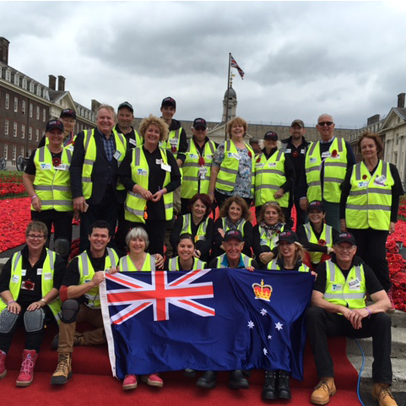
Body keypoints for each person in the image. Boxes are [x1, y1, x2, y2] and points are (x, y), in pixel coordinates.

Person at [306, 232, 397, 406]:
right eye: (341, 246)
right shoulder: (325, 267)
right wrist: (341, 309)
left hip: (357, 321)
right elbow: (316, 299)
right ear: (335, 248)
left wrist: (366, 310)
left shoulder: (363, 268)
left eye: (349, 247)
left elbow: (385, 302)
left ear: (355, 250)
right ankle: (326, 380)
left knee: (383, 320)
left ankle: (381, 386)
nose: (345, 251)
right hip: (333, 319)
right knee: (313, 314)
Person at [50, 220, 119, 385]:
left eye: (103, 236)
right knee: (68, 306)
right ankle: (64, 361)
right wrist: (91, 283)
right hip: (82, 308)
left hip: (103, 311)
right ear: (89, 236)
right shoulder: (78, 261)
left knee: (121, 328)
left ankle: (81, 339)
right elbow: (64, 293)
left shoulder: (118, 257)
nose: (99, 239)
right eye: (95, 235)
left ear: (109, 239)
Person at [0, 221, 65, 387]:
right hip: (17, 304)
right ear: (26, 237)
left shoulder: (54, 259)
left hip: (44, 306)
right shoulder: (15, 258)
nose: (35, 239)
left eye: (39, 236)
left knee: (34, 314)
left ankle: (28, 363)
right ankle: (1, 358)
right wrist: (11, 302)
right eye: (32, 235)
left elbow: (59, 287)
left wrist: (41, 302)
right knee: (8, 314)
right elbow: (3, 286)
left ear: (45, 239)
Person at [340, 132, 404, 296]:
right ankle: (360, 289)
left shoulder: (389, 169)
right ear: (360, 151)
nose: (367, 149)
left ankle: (385, 289)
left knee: (377, 257)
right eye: (364, 147)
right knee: (358, 257)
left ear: (377, 148)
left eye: (370, 146)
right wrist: (342, 219)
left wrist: (393, 220)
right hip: (356, 222)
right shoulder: (353, 170)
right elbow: (344, 196)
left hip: (379, 222)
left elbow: (396, 196)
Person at [199, 230, 257, 391]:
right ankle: (210, 368)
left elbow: (257, 294)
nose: (233, 248)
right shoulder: (214, 263)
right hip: (219, 305)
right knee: (213, 318)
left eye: (236, 244)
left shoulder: (251, 263)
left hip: (242, 307)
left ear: (243, 246)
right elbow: (208, 291)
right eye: (229, 244)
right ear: (223, 246)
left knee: (243, 318)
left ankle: (237, 369)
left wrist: (251, 277)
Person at [118, 115, 181, 257]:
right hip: (137, 213)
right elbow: (122, 177)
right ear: (144, 132)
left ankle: (155, 277)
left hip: (159, 210)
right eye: (150, 130)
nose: (153, 134)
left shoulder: (167, 155)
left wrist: (163, 191)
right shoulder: (132, 153)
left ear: (161, 135)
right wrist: (139, 189)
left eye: (157, 132)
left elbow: (177, 180)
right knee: (137, 249)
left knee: (156, 251)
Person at [69, 104, 127, 252]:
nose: (105, 121)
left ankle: (106, 269)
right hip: (90, 196)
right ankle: (86, 271)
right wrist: (77, 195)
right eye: (102, 117)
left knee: (108, 237)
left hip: (113, 196)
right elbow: (75, 167)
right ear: (96, 120)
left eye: (109, 118)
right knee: (88, 236)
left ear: (114, 121)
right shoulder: (84, 136)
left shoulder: (121, 139)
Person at [263, 230, 310, 401]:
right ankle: (272, 375)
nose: (285, 247)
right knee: (277, 321)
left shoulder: (305, 270)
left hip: (294, 312)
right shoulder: (270, 266)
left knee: (286, 323)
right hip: (273, 309)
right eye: (281, 244)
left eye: (288, 244)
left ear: (296, 247)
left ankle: (282, 375)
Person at [118, 227, 164, 390]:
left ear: (146, 243)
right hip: (129, 309)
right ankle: (132, 372)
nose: (137, 243)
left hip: (151, 309)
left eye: (141, 240)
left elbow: (162, 287)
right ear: (128, 243)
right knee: (131, 329)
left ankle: (151, 371)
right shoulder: (120, 261)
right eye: (134, 240)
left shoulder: (156, 261)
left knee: (153, 328)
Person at [23, 119, 73, 260]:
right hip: (41, 208)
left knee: (62, 246)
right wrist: (33, 197)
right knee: (38, 245)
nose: (56, 136)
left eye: (59, 133)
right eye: (52, 132)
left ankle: (59, 275)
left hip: (63, 209)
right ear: (46, 134)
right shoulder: (38, 153)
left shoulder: (71, 155)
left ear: (64, 135)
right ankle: (39, 275)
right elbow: (27, 177)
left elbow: (75, 181)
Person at [300, 114, 356, 231]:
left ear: (333, 126)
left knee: (335, 231)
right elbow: (302, 175)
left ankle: (333, 250)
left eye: (328, 123)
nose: (325, 126)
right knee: (310, 231)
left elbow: (353, 171)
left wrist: (345, 187)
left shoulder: (343, 145)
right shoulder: (310, 148)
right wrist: (302, 196)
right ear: (317, 127)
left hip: (335, 198)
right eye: (322, 124)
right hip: (314, 198)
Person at [159, 97, 188, 257]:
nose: (168, 111)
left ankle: (170, 252)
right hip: (157, 177)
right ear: (161, 110)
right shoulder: (155, 126)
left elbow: (183, 153)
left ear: (174, 111)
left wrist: (172, 167)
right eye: (166, 108)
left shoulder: (180, 130)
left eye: (171, 109)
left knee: (173, 213)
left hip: (174, 178)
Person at [114, 101, 144, 254]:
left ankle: (122, 251)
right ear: (117, 116)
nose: (124, 118)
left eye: (128, 115)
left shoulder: (138, 138)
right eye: (122, 115)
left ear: (132, 117)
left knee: (126, 224)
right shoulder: (110, 133)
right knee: (111, 222)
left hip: (130, 188)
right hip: (112, 188)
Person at [209, 116, 255, 210]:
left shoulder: (249, 148)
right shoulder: (224, 146)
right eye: (234, 126)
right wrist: (211, 192)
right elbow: (214, 170)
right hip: (225, 193)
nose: (237, 128)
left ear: (244, 130)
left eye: (240, 126)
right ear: (229, 130)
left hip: (245, 194)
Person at [254, 130, 295, 225]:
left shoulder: (283, 156)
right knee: (262, 231)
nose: (271, 142)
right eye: (268, 139)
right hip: (261, 203)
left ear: (277, 142)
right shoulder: (257, 158)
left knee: (280, 232)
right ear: (263, 142)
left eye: (273, 140)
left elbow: (292, 178)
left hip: (279, 203)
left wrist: (283, 189)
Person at [180, 118, 217, 214]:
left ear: (207, 130)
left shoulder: (214, 146)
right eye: (197, 128)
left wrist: (211, 193)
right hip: (187, 194)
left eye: (202, 128)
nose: (200, 131)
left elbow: (216, 170)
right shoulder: (185, 145)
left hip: (205, 196)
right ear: (192, 130)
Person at [281, 119, 310, 227]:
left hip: (302, 187)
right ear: (290, 130)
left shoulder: (309, 147)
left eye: (299, 128)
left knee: (303, 219)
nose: (296, 130)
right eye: (294, 128)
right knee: (284, 217)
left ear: (304, 131)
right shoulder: (282, 145)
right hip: (286, 187)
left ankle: (301, 241)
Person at [170, 193, 214, 262]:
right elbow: (173, 239)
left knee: (200, 243)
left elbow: (209, 242)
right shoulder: (182, 219)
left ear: (206, 209)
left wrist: (198, 252)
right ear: (192, 207)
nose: (199, 209)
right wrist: (187, 252)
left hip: (200, 257)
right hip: (181, 255)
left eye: (203, 207)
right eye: (197, 205)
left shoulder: (210, 222)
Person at [297, 200, 338, 271]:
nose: (315, 215)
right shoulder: (302, 228)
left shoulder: (332, 231)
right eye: (312, 212)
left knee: (329, 256)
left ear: (324, 214)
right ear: (308, 215)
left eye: (318, 212)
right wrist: (327, 249)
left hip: (324, 265)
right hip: (307, 264)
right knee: (302, 254)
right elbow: (304, 245)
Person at [252, 202, 287, 269]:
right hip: (261, 261)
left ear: (279, 215)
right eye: (268, 213)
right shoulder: (257, 228)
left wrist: (272, 254)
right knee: (265, 248)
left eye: (274, 213)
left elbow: (286, 245)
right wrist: (265, 258)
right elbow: (255, 247)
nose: (271, 216)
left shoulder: (285, 228)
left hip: (280, 261)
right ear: (263, 215)